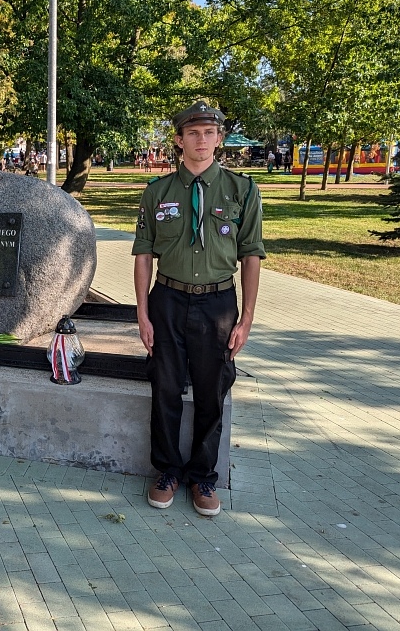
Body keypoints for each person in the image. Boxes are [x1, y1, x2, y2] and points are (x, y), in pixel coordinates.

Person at [132, 100, 265, 516]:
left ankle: (203, 477)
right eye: (192, 133)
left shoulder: (242, 190)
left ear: (219, 139)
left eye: (209, 133)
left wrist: (246, 318)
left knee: (213, 390)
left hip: (218, 303)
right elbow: (143, 255)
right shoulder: (158, 193)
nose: (201, 141)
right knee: (165, 388)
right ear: (179, 140)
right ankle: (168, 470)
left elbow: (251, 256)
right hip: (167, 300)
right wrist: (142, 313)